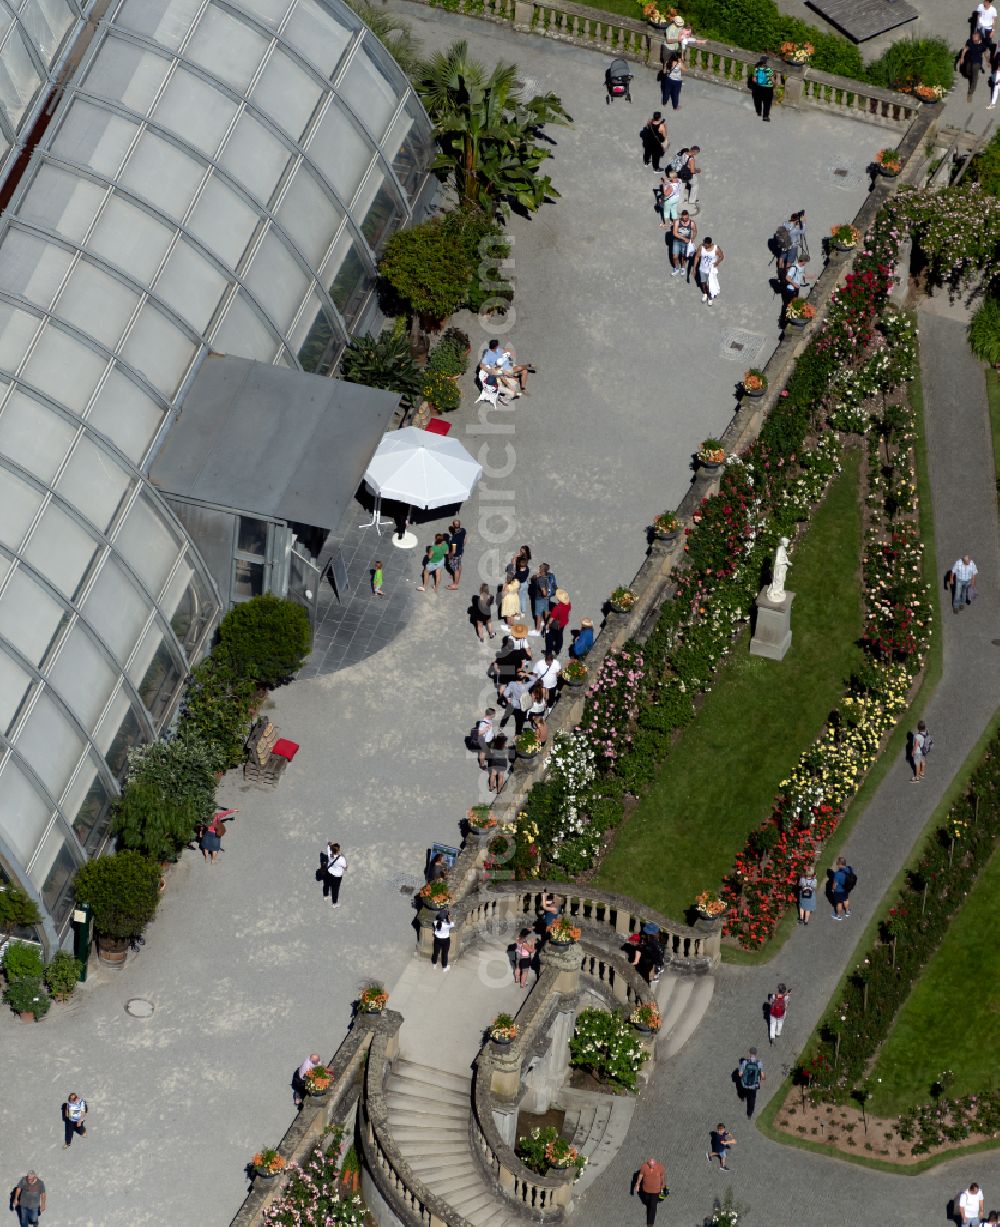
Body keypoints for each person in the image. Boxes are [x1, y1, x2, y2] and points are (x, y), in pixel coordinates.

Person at [632, 1155, 667, 1225]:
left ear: (655, 1164)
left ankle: (650, 1224)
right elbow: (640, 1176)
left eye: (653, 1165)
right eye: (650, 1165)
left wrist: (663, 1186)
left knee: (653, 1206)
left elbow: (662, 1177)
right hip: (646, 1190)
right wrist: (638, 1184)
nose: (652, 1166)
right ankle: (651, 1207)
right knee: (647, 1202)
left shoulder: (660, 1167)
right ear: (648, 1163)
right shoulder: (644, 1167)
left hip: (656, 1191)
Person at [960, 31, 987, 101]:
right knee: (968, 72)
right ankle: (973, 76)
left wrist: (988, 61)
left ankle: (970, 93)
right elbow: (965, 49)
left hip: (977, 63)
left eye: (975, 36)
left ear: (979, 38)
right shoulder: (969, 42)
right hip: (969, 61)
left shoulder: (982, 45)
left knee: (974, 77)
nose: (973, 37)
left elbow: (985, 53)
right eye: (973, 36)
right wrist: (962, 57)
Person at [738, 1047, 764, 1118]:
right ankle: (750, 1112)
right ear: (756, 1053)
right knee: (752, 1099)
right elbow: (762, 1075)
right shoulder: (759, 1063)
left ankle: (743, 1097)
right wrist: (760, 1082)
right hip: (754, 1085)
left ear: (749, 1053)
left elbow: (740, 1074)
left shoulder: (745, 1062)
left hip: (745, 1084)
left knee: (743, 1089)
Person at [530, 563, 557, 634]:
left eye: (540, 568)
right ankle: (547, 628)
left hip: (539, 598)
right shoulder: (549, 576)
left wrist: (544, 594)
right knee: (546, 611)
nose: (539, 569)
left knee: (538, 615)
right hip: (547, 598)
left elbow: (543, 590)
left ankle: (537, 630)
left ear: (542, 570)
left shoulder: (540, 579)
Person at [670, 209, 697, 277]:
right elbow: (675, 233)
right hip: (677, 241)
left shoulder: (692, 223)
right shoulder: (677, 222)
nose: (685, 220)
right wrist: (684, 238)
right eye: (684, 218)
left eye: (687, 218)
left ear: (688, 216)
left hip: (686, 243)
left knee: (684, 256)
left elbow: (695, 231)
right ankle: (676, 269)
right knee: (675, 256)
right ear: (681, 216)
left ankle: (683, 268)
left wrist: (693, 238)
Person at [697, 237, 724, 305]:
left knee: (709, 285)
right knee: (703, 283)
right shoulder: (702, 246)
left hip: (710, 271)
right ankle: (705, 294)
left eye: (706, 245)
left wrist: (717, 262)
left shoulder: (716, 248)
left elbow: (721, 256)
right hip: (702, 269)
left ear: (710, 244)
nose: (705, 246)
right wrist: (694, 268)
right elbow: (697, 256)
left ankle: (710, 298)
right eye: (704, 244)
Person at [545, 589, 571, 655]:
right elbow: (568, 613)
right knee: (560, 636)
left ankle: (550, 651)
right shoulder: (568, 604)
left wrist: (547, 624)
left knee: (550, 636)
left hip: (556, 624)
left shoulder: (557, 608)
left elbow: (551, 618)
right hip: (563, 623)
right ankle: (558, 649)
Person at [750, 55, 775, 120]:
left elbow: (755, 79)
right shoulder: (769, 70)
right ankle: (765, 116)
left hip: (758, 87)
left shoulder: (756, 69)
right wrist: (774, 84)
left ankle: (758, 112)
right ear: (766, 62)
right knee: (767, 102)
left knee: (757, 100)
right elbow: (772, 80)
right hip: (768, 88)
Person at [831, 855, 854, 919]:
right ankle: (847, 912)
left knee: (839, 903)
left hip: (839, 891)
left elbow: (834, 884)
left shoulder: (837, 874)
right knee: (845, 899)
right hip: (846, 889)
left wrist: (833, 889)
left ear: (840, 864)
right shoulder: (849, 869)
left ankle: (838, 916)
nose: (837, 866)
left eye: (838, 864)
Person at [445, 519, 466, 589]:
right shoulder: (463, 530)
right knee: (459, 565)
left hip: (456, 554)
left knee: (456, 569)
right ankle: (455, 576)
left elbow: (453, 551)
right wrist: (462, 546)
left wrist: (449, 555)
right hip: (461, 551)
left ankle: (455, 584)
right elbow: (465, 539)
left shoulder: (454, 538)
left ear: (453, 525)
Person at [326, 842, 347, 908]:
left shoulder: (330, 854)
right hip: (337, 876)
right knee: (336, 889)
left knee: (331, 885)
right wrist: (343, 857)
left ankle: (330, 894)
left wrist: (329, 845)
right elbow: (345, 867)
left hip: (330, 873)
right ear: (338, 850)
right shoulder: (341, 859)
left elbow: (328, 847)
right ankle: (334, 903)